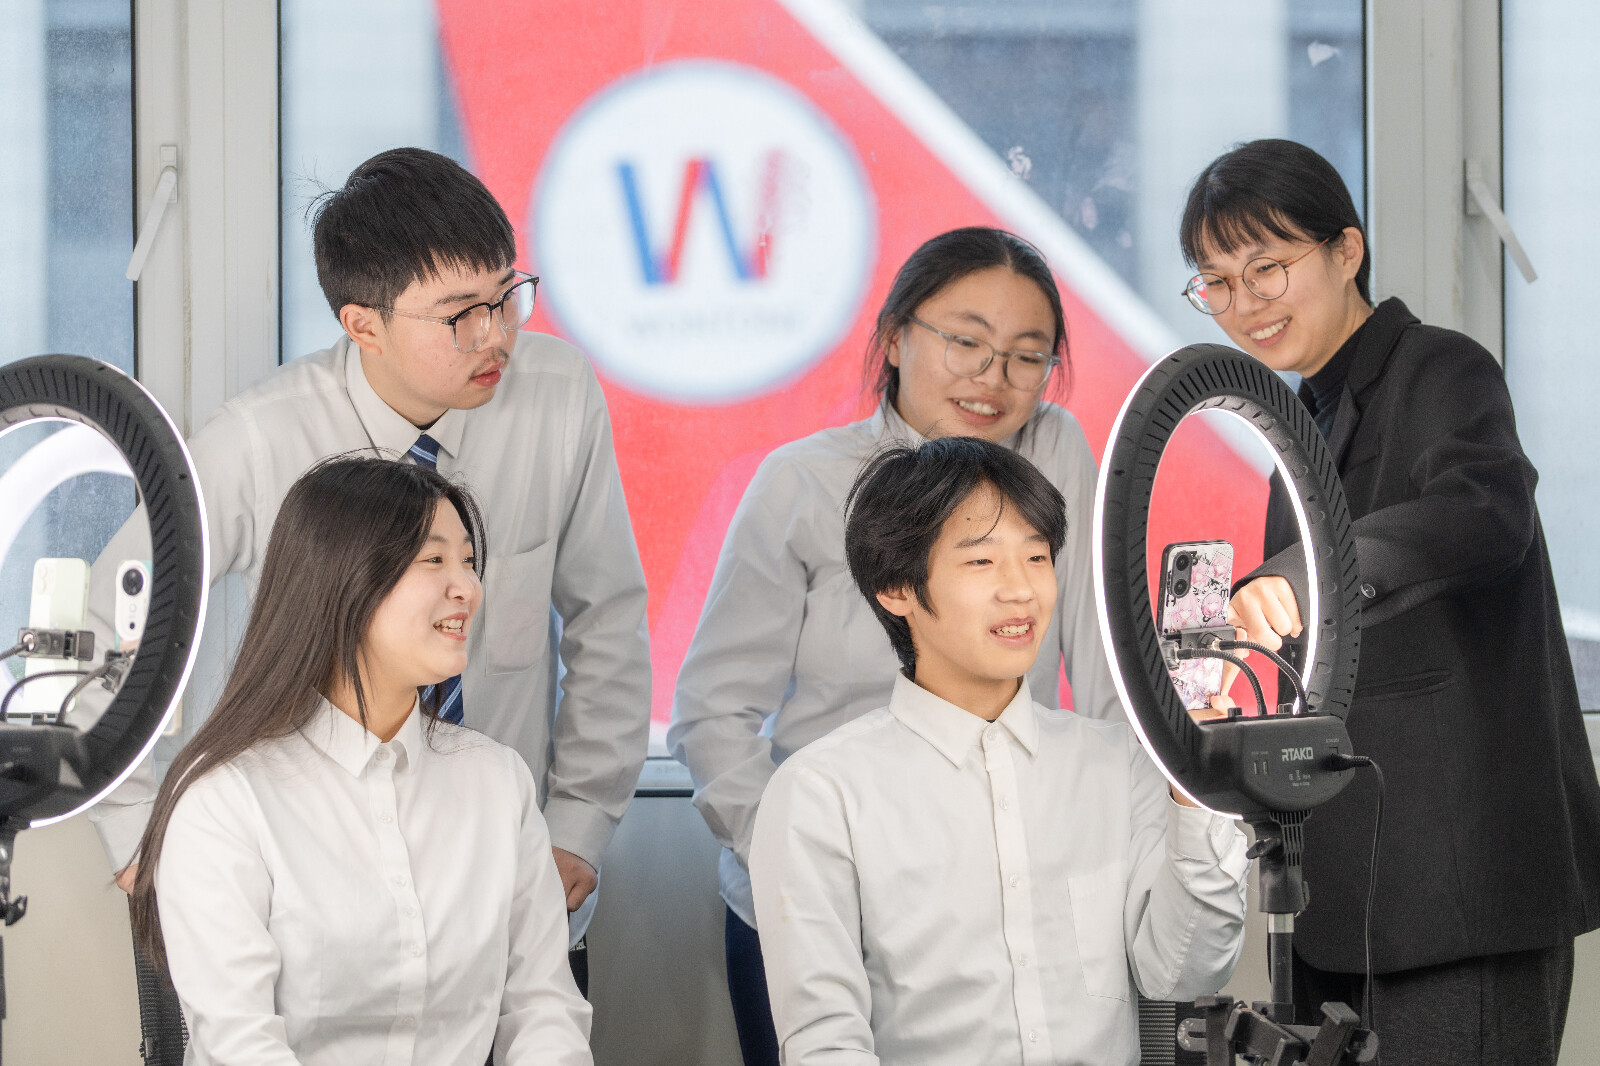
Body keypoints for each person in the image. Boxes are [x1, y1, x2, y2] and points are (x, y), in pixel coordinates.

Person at [91, 148, 651, 971]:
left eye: (508, 295)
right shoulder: (261, 439)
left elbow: (609, 617)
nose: (497, 335)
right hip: (317, 896)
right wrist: (138, 830)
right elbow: (104, 619)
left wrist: (580, 824)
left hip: (508, 877)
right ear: (364, 326)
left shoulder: (558, 394)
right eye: (460, 315)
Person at [1180, 138, 1600, 1064]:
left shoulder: (1442, 369)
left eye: (1267, 267)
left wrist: (1303, 578)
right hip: (1339, 899)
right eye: (1217, 282)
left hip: (1460, 893)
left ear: (1346, 250)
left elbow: (1482, 513)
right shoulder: (1295, 430)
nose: (1246, 303)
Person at [667, 226, 1125, 1065]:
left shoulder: (1055, 449)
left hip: (1001, 888)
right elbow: (712, 713)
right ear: (893, 337)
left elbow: (1103, 679)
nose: (993, 380)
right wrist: (804, 864)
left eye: (1027, 356)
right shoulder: (804, 482)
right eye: (966, 343)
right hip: (820, 892)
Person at [747, 436, 1247, 1065]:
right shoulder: (821, 792)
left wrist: (1196, 786)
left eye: (1036, 557)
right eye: (981, 561)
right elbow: (826, 1044)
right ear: (897, 587)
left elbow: (1183, 973)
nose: (1021, 590)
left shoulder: (1117, 761)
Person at [128, 456, 591, 1065]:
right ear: (344, 580)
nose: (467, 587)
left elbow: (544, 1008)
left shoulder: (498, 782)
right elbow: (242, 1047)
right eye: (435, 560)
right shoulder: (225, 799)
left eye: (469, 562)